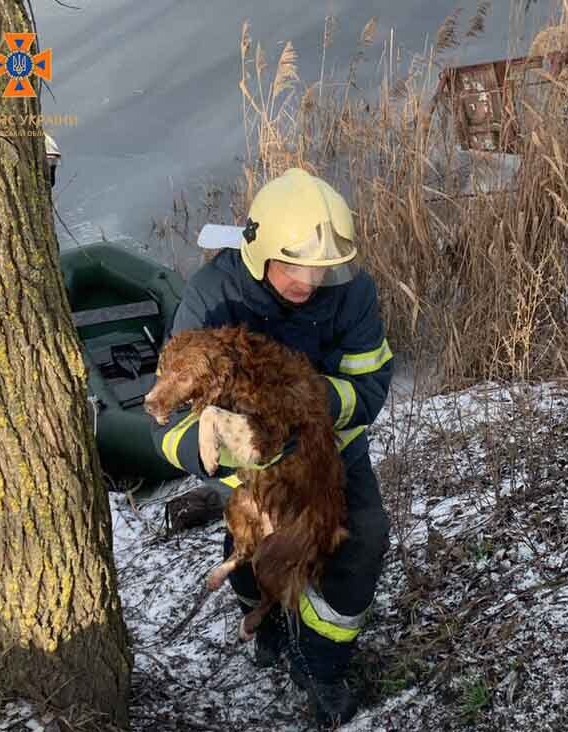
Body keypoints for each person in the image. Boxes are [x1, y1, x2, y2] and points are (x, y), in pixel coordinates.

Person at [150, 168, 392, 727]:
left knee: (364, 537)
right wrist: (227, 449)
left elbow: (371, 383)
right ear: (259, 253)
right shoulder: (214, 297)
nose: (310, 283)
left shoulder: (352, 293)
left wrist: (305, 407)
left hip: (330, 453)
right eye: (295, 269)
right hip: (248, 467)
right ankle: (266, 620)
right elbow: (166, 423)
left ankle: (323, 665)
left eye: (323, 270)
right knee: (253, 541)